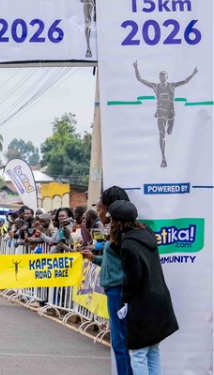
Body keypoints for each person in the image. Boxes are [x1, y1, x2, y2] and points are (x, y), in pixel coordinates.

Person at [108, 200, 178, 375]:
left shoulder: (129, 245)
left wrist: (125, 300)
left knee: (138, 353)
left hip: (142, 304)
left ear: (116, 222)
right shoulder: (147, 232)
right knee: (153, 350)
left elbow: (133, 280)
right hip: (159, 299)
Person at [80, 186, 133, 375]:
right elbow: (114, 263)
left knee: (119, 340)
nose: (98, 213)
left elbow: (124, 265)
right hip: (115, 288)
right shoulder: (116, 232)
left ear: (110, 210)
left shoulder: (121, 234)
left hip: (118, 290)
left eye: (101, 209)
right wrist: (94, 259)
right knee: (119, 339)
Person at [133, 61, 198, 167]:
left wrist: (193, 73)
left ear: (167, 78)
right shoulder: (155, 86)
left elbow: (185, 81)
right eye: (161, 77)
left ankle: (170, 128)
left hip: (171, 113)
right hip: (161, 112)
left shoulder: (172, 86)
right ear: (159, 78)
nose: (163, 78)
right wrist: (135, 67)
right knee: (162, 134)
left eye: (164, 77)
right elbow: (140, 79)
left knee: (169, 132)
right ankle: (163, 158)